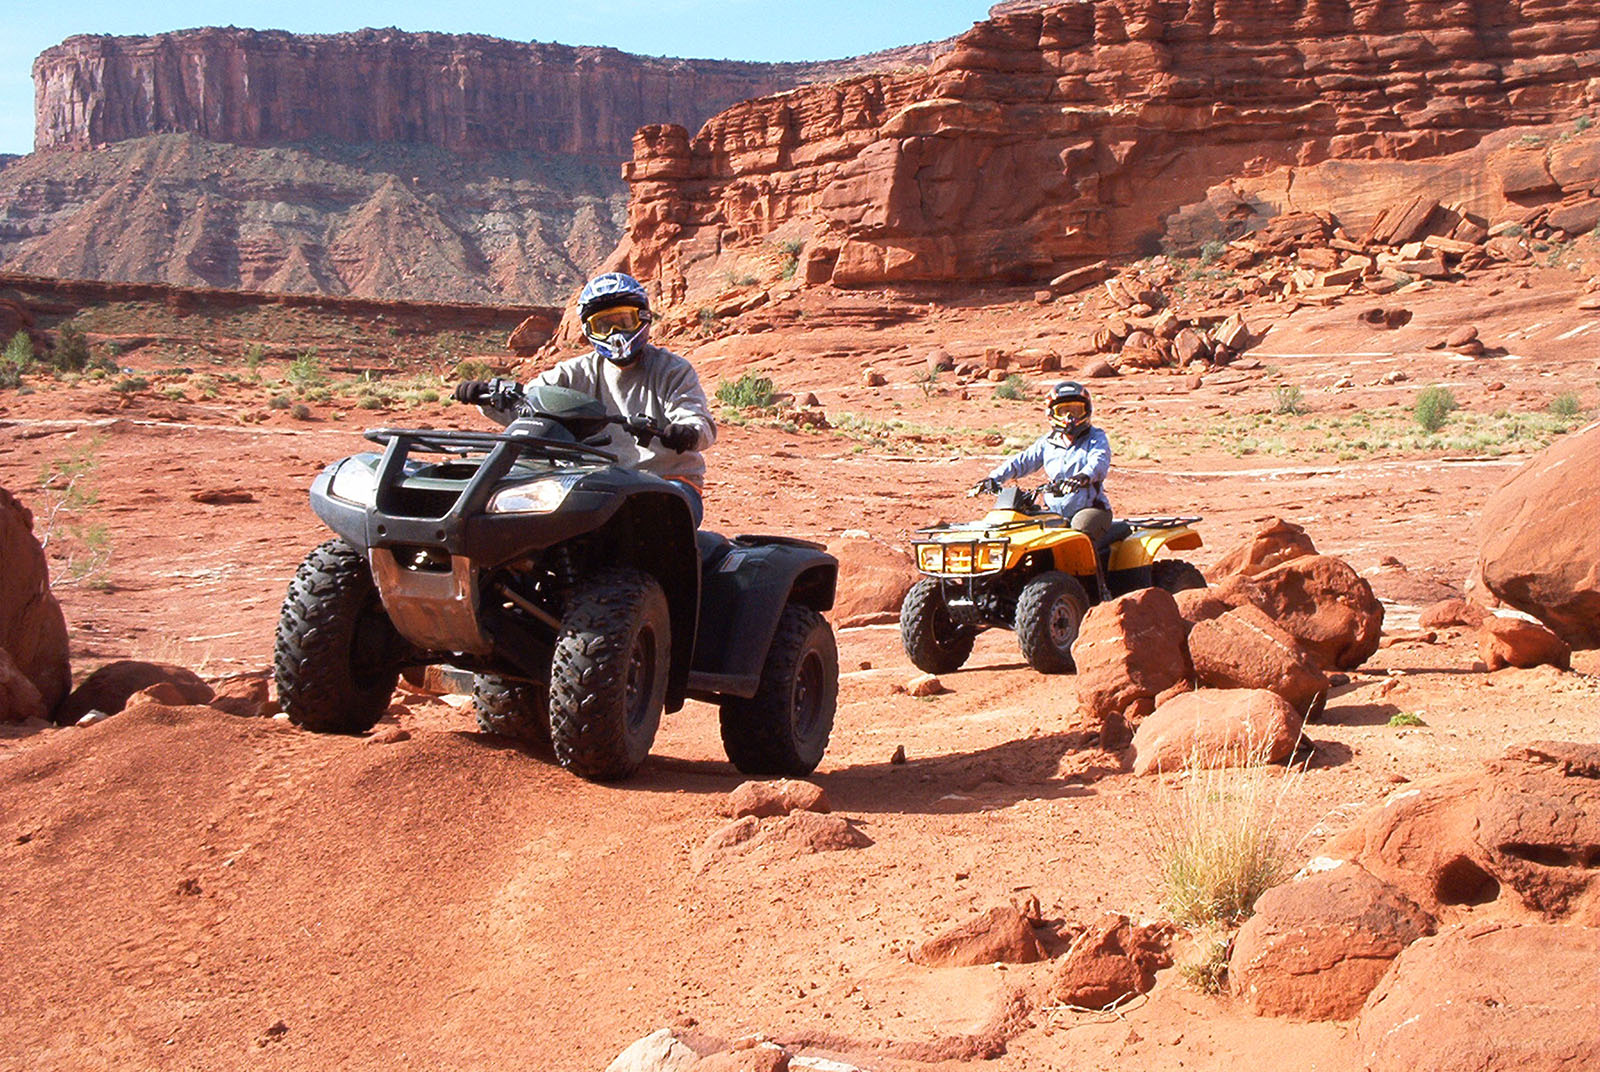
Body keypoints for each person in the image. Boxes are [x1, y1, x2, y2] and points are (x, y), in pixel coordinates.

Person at [455, 272, 717, 525]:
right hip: (595, 481)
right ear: (588, 329)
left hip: (667, 479)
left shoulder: (673, 370)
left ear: (644, 318)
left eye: (624, 321)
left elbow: (697, 420)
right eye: (603, 325)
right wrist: (487, 397)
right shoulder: (573, 372)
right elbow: (529, 403)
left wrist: (686, 433)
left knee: (642, 524)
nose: (615, 332)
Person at [975, 381, 1112, 546]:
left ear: (1087, 411)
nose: (1069, 418)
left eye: (1076, 411)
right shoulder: (1048, 442)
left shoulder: (1096, 437)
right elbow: (1022, 461)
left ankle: (1092, 572)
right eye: (1062, 411)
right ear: (1052, 414)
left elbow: (1099, 461)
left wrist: (1082, 477)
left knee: (1076, 538)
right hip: (1054, 511)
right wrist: (993, 478)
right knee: (1026, 534)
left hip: (1089, 508)